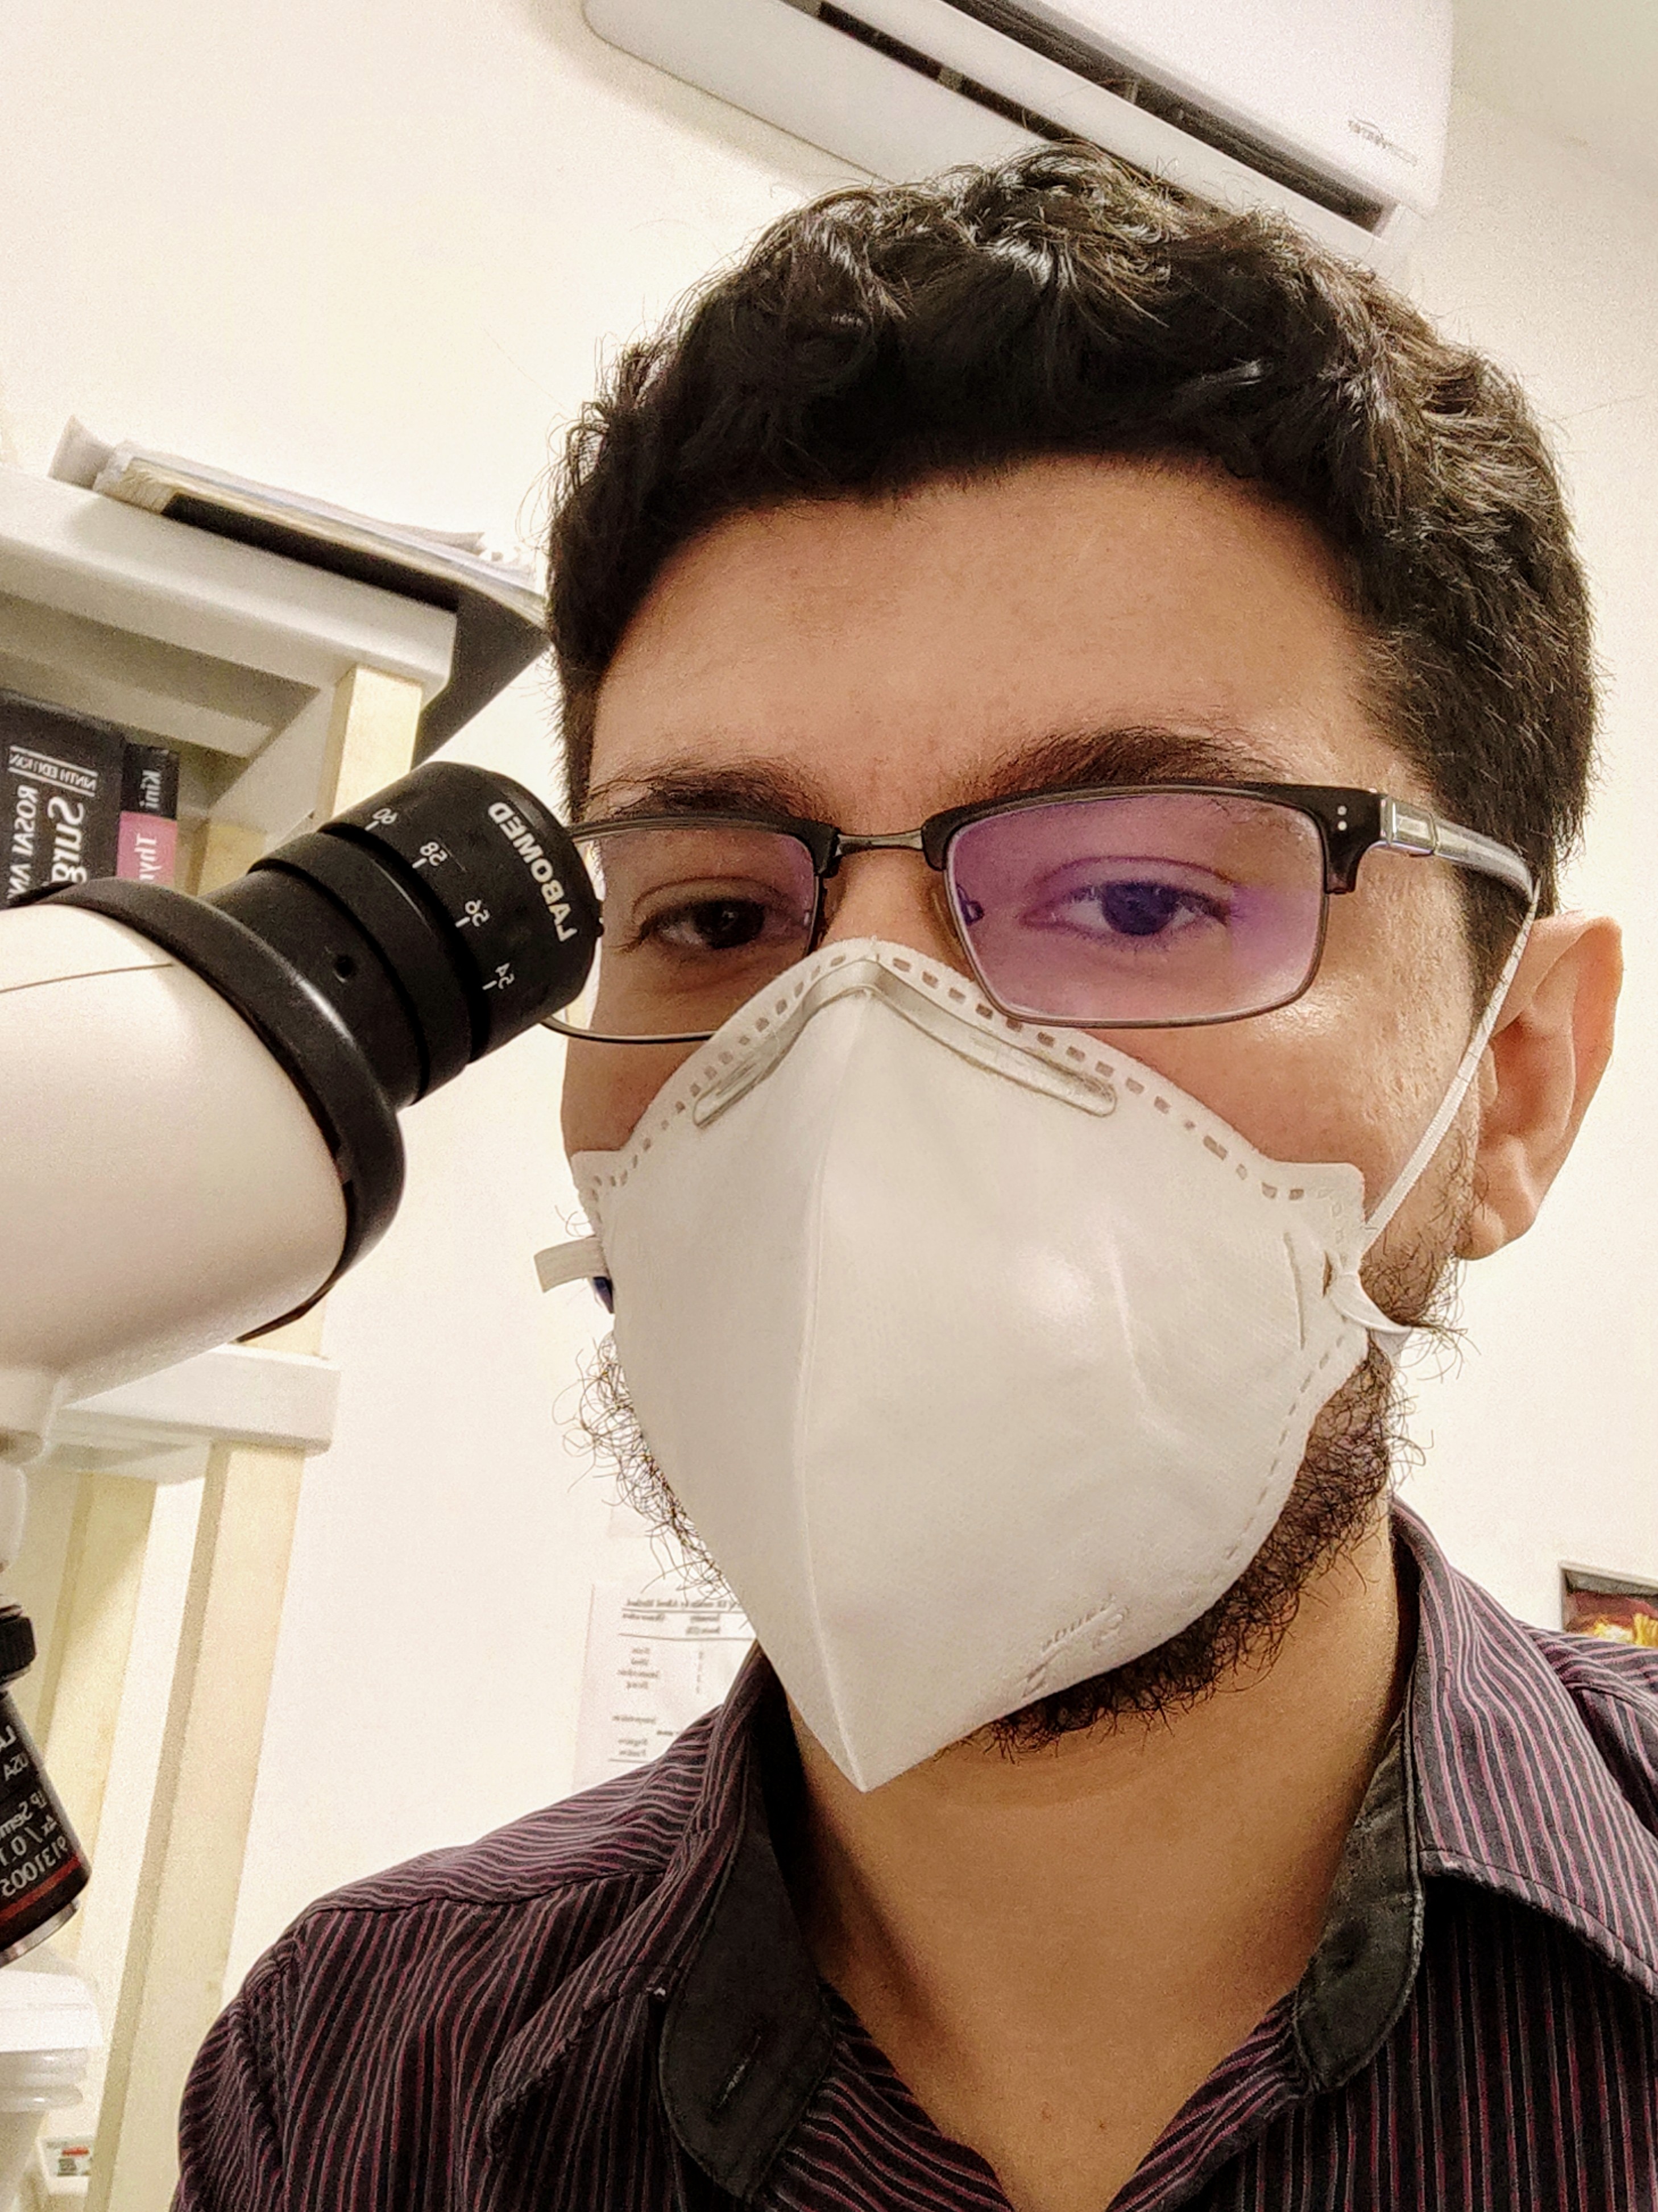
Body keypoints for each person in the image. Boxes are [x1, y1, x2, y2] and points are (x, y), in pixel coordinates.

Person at [176, 148, 1649, 2212]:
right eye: (713, 915)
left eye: (1135, 895)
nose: (852, 1052)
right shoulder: (355, 2079)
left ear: (1512, 1083)